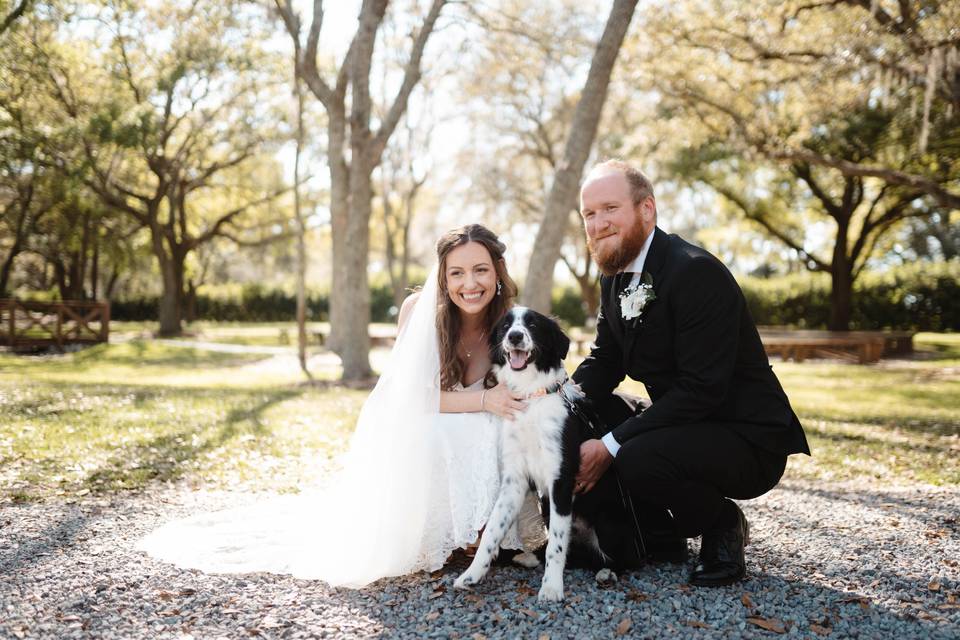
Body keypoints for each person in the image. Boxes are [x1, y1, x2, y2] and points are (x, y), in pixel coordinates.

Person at [138, 224, 545, 587]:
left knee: (496, 425)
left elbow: (536, 388)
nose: (469, 283)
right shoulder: (419, 312)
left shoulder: (513, 322)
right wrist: (483, 399)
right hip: (420, 422)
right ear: (442, 277)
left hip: (480, 425)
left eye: (480, 270)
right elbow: (409, 400)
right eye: (456, 272)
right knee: (445, 426)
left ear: (497, 274)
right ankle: (440, 534)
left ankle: (486, 531)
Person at [570, 160, 810, 587]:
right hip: (686, 425)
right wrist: (559, 404)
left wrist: (611, 443)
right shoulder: (613, 275)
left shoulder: (694, 271)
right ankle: (655, 530)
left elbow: (703, 389)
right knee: (584, 412)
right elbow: (606, 360)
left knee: (633, 453)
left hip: (745, 437)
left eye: (610, 208)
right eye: (590, 213)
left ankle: (721, 523)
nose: (598, 223)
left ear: (647, 209)